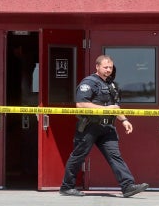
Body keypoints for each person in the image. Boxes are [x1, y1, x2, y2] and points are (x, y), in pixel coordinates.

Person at [59, 55, 149, 198]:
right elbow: (81, 104)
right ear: (97, 67)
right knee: (78, 156)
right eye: (105, 67)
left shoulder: (111, 84)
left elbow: (114, 107)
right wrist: (106, 109)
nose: (108, 70)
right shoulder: (89, 82)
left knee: (115, 156)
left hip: (107, 128)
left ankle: (127, 186)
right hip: (89, 127)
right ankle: (67, 187)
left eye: (110, 67)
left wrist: (124, 120)